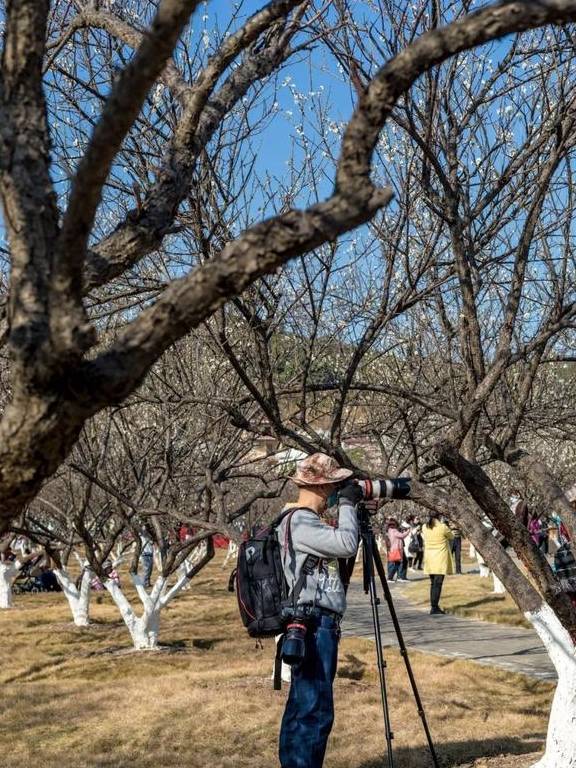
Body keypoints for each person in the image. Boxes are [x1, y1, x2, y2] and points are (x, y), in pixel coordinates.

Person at [277, 452, 361, 768]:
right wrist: (349, 505)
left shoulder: (304, 520)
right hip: (314, 624)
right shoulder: (300, 520)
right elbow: (347, 544)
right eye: (336, 486)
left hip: (314, 622)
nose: (338, 491)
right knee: (315, 708)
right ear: (323, 486)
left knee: (304, 704)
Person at [421, 512, 454, 615]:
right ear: (439, 516)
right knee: (438, 584)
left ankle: (433, 605)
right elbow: (452, 536)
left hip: (429, 559)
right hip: (440, 559)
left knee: (433, 583)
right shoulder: (442, 527)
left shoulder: (424, 527)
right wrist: (446, 524)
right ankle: (434, 607)